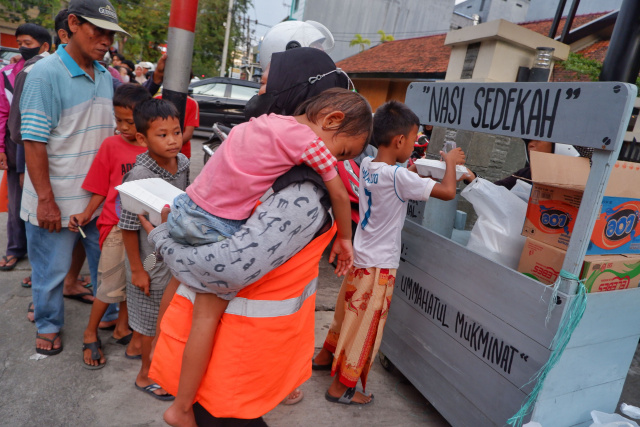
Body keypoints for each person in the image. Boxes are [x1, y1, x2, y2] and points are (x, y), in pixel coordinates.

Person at [163, 87, 372, 427]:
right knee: (204, 317)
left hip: (186, 207)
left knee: (177, 290)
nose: (336, 159)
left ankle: (158, 363)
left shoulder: (258, 123)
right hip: (216, 225)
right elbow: (337, 189)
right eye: (343, 150)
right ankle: (181, 408)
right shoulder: (309, 145)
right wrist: (346, 239)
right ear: (332, 121)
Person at [144, 162, 336, 425]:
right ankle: (180, 408)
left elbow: (176, 281)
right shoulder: (298, 195)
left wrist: (164, 239)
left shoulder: (229, 191)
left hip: (212, 352)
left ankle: (180, 404)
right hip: (228, 361)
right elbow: (230, 271)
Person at [313, 101, 466, 405]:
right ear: (399, 141)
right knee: (365, 326)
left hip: (360, 258)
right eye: (412, 140)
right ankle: (341, 388)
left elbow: (396, 177)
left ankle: (324, 356)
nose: (413, 144)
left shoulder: (370, 167)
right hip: (380, 266)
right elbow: (448, 192)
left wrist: (409, 168)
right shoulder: (398, 177)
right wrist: (450, 163)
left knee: (346, 314)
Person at [19, 0, 129, 355]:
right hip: (56, 198)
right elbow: (33, 143)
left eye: (111, 34)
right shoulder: (44, 74)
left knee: (106, 265)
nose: (106, 40)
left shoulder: (106, 76)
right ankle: (49, 325)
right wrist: (47, 200)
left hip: (97, 200)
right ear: (73, 25)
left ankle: (110, 314)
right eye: (99, 30)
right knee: (50, 271)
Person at [69, 84, 152, 368]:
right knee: (109, 285)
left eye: (129, 122)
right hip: (116, 227)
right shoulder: (111, 146)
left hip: (145, 229)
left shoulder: (155, 146)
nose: (123, 127)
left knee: (135, 282)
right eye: (118, 121)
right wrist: (86, 213)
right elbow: (100, 189)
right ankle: (90, 331)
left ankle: (121, 328)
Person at [118, 98, 189, 400]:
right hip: (148, 260)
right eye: (163, 135)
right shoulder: (139, 177)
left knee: (165, 316)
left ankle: (146, 356)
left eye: (176, 132)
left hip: (172, 253)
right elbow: (127, 226)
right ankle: (146, 375)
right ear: (141, 139)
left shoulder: (183, 162)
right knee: (150, 321)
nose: (173, 140)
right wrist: (137, 270)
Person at [0, 23, 51, 272]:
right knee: (16, 202)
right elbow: (5, 115)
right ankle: (15, 249)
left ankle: (38, 261)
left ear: (44, 46)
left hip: (41, 146)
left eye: (28, 43)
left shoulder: (46, 70)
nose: (22, 48)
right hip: (14, 145)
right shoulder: (8, 72)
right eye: (20, 43)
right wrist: (1, 147)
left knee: (38, 202)